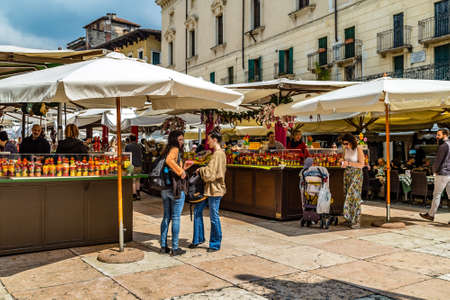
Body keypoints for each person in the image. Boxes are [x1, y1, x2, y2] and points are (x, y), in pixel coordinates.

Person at [190, 131, 227, 252]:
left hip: (214, 189)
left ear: (215, 140)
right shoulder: (217, 154)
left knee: (213, 216)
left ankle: (215, 244)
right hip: (209, 189)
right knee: (197, 211)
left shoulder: (217, 154)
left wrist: (201, 170)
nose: (207, 142)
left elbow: (210, 174)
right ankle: (198, 239)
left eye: (209, 139)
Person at [160, 130, 190, 256]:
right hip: (175, 189)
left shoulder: (165, 149)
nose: (182, 142)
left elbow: (168, 163)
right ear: (174, 140)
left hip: (165, 189)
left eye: (182, 139)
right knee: (176, 217)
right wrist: (181, 172)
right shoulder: (175, 150)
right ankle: (175, 248)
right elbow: (169, 161)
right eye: (180, 140)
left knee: (166, 216)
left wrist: (184, 167)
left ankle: (163, 246)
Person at [420, 129, 450, 222]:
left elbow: (438, 161)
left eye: (438, 135)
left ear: (445, 135)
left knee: (436, 195)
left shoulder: (443, 146)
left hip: (442, 174)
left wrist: (434, 170)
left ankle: (431, 214)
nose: (436, 137)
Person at [340, 133, 365, 229]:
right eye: (344, 144)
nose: (345, 145)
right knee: (347, 194)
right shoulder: (345, 149)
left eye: (346, 143)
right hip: (347, 173)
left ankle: (356, 220)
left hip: (356, 174)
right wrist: (342, 162)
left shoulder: (358, 149)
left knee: (354, 196)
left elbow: (361, 164)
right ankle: (349, 219)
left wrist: (349, 163)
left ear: (351, 142)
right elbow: (343, 158)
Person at [125, 134, 144, 200]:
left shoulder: (128, 146)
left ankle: (134, 195)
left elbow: (126, 156)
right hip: (139, 164)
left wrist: (125, 166)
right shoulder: (139, 146)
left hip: (131, 165)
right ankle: (138, 194)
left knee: (132, 181)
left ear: (130, 139)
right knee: (137, 180)